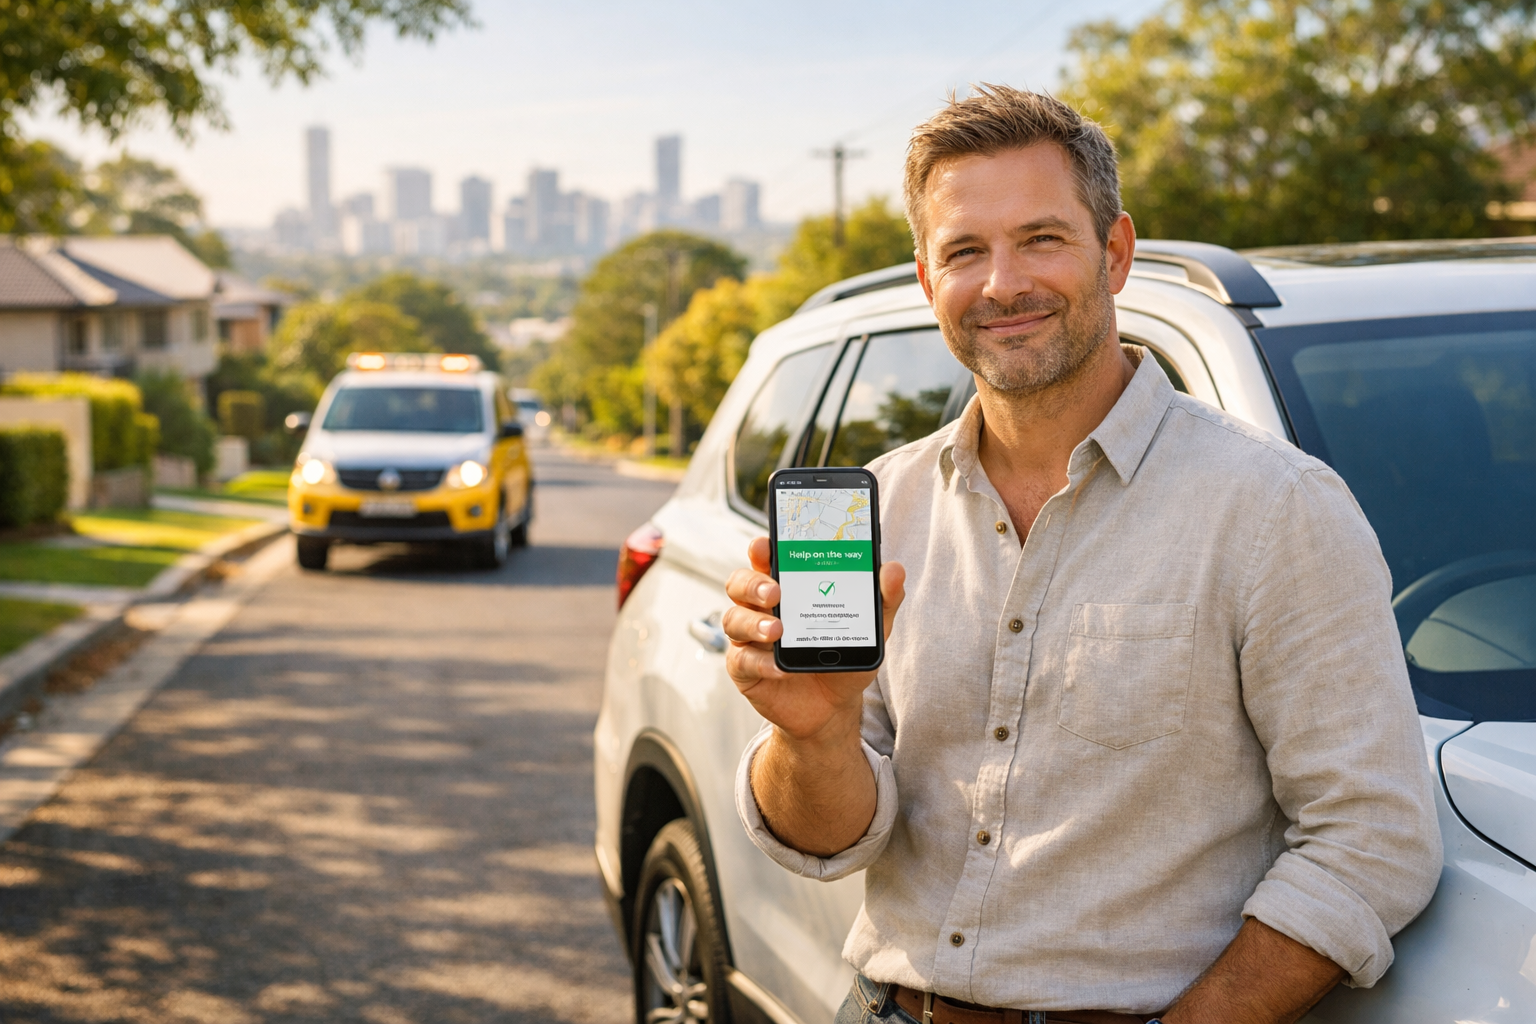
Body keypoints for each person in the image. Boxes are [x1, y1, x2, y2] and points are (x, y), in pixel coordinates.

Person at [723, 86, 1441, 1024]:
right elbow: (828, 838)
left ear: (1115, 252)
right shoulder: (885, 508)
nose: (1002, 283)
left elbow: (1373, 839)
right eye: (965, 252)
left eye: (1042, 239)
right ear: (927, 279)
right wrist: (813, 735)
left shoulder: (1275, 508)